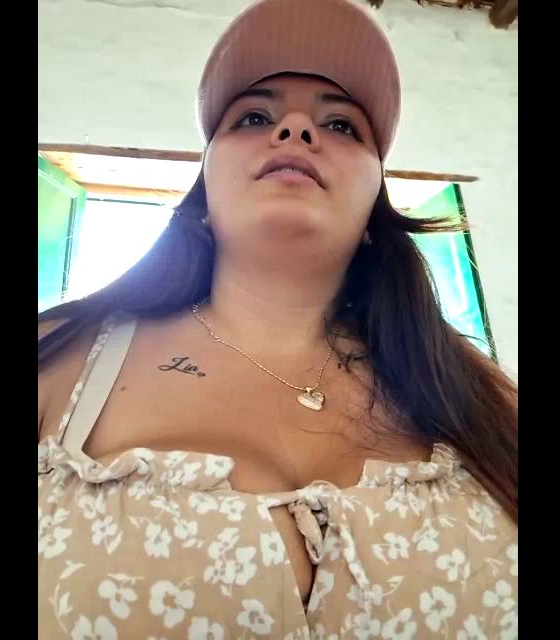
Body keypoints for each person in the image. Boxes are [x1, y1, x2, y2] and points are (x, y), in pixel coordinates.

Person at [38, 0, 517, 637]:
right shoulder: (59, 354)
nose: (295, 129)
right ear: (201, 197)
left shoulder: (476, 391)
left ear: (374, 211)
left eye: (341, 125)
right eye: (254, 117)